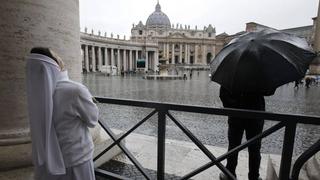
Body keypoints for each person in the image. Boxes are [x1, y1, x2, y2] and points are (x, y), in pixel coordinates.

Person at [26, 47, 99, 180]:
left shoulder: (35, 95)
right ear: (53, 63)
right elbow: (92, 120)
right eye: (57, 56)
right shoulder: (74, 90)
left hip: (48, 160)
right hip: (76, 159)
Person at [219, 86, 264, 180]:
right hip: (255, 114)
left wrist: (233, 106)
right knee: (255, 148)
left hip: (236, 115)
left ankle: (229, 174)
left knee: (233, 146)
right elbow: (268, 91)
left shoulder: (232, 72)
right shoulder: (259, 73)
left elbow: (223, 94)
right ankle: (254, 176)